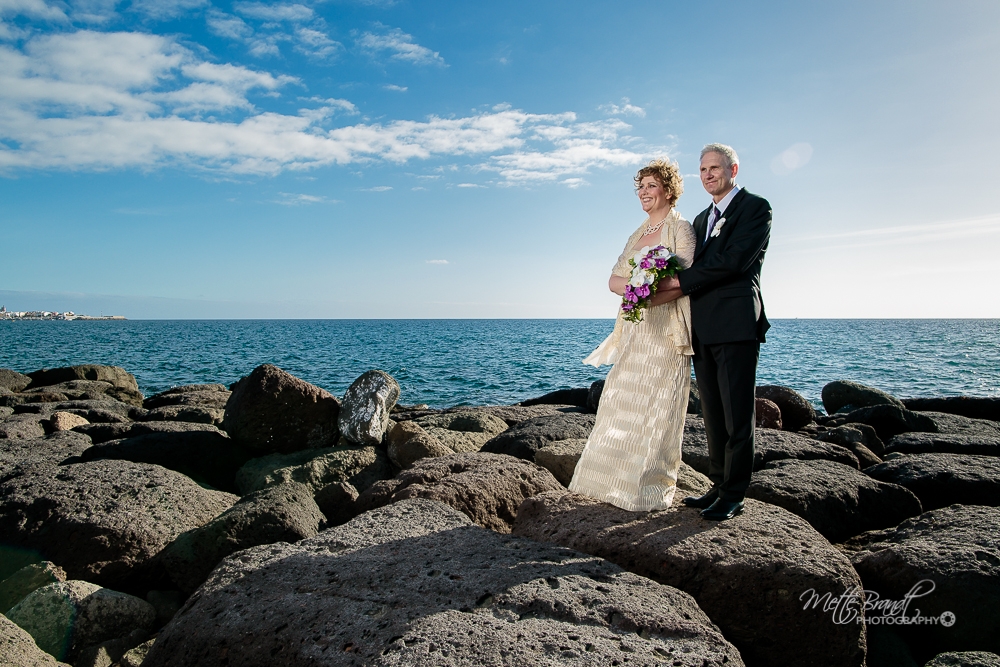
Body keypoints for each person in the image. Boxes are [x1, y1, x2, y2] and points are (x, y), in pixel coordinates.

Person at [568, 159, 696, 512]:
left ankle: (646, 492)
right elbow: (613, 280)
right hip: (635, 329)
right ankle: (606, 484)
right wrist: (638, 288)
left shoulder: (681, 229)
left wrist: (645, 290)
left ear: (667, 190)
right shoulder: (637, 235)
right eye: (639, 187)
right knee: (620, 401)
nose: (643, 192)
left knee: (658, 407)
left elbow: (684, 281)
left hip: (666, 332)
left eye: (650, 185)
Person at [656, 143, 772, 521]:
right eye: (703, 169)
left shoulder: (756, 208)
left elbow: (732, 261)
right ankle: (718, 485)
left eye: (715, 168)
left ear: (733, 169)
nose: (708, 175)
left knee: (738, 414)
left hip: (737, 323)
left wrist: (675, 282)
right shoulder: (702, 218)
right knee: (714, 414)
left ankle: (734, 494)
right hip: (702, 326)